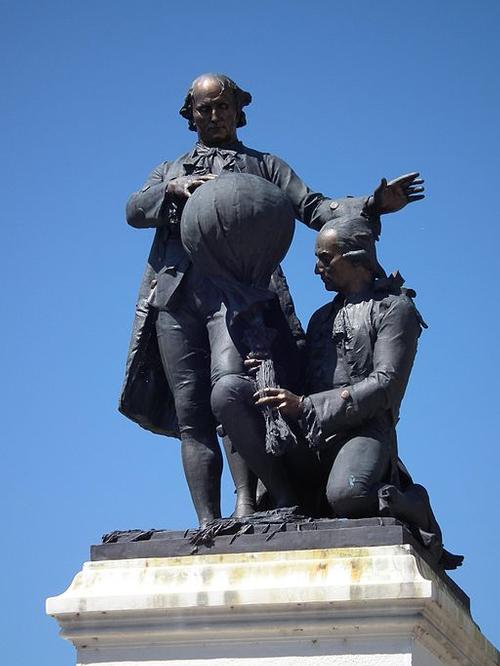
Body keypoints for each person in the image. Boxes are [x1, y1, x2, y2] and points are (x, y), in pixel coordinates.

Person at [119, 72, 424, 527]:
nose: (215, 115)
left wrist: (372, 204)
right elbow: (133, 210)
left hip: (239, 296)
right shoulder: (170, 170)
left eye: (223, 106)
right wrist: (171, 191)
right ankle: (207, 522)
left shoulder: (266, 167)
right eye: (205, 108)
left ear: (238, 109)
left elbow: (314, 206)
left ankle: (248, 504)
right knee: (192, 415)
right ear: (191, 116)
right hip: (178, 296)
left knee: (234, 392)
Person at [254, 212, 462, 568]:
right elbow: (303, 375)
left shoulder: (395, 310)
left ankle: (413, 504)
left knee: (349, 495)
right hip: (314, 431)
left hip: (365, 429)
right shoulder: (321, 318)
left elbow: (386, 385)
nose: (317, 269)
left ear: (354, 257)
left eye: (324, 258)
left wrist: (306, 405)